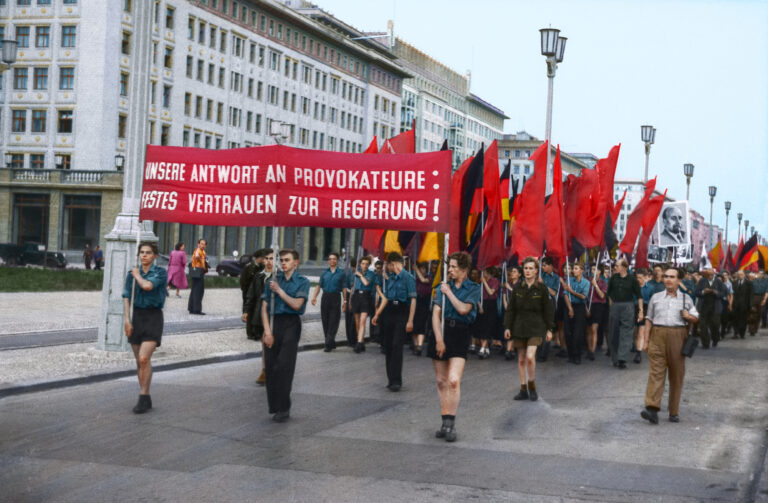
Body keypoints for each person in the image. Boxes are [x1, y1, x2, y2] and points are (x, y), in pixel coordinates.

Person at [429, 251, 480, 443]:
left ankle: (451, 422)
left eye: (453, 267)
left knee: (453, 380)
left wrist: (448, 292)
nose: (449, 270)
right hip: (441, 332)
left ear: (464, 270)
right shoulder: (441, 286)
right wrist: (439, 340)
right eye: (448, 266)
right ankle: (444, 422)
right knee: (441, 381)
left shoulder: (473, 288)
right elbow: (436, 314)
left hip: (460, 333)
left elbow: (463, 309)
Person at [641, 267, 698, 424]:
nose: (668, 279)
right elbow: (649, 319)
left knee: (676, 375)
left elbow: (696, 317)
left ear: (679, 280)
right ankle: (652, 409)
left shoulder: (686, 299)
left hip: (678, 336)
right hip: (657, 335)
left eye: (672, 277)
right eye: (666, 276)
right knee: (656, 373)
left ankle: (674, 411)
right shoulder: (656, 297)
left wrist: (689, 316)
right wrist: (645, 341)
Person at [260, 249, 311, 423]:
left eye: (287, 260)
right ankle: (274, 405)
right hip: (274, 324)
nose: (283, 263)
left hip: (291, 324)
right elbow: (264, 308)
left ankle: (284, 407)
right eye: (281, 260)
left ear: (295, 262)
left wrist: (280, 291)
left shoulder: (302, 282)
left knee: (284, 366)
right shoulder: (273, 281)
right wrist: (267, 332)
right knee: (271, 366)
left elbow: (297, 305)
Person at [122, 242, 167, 414]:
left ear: (155, 255)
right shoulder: (132, 274)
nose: (144, 255)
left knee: (143, 358)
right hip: (137, 317)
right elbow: (126, 296)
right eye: (142, 252)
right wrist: (127, 320)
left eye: (148, 253)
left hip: (154, 317)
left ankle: (143, 395)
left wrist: (136, 275)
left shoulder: (160, 273)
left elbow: (147, 286)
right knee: (139, 362)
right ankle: (146, 397)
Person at [504, 257, 554, 401]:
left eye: (531, 268)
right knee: (520, 360)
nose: (528, 271)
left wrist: (549, 329)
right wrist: (507, 327)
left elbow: (548, 310)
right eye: (526, 268)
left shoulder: (542, 289)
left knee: (530, 357)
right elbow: (511, 309)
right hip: (519, 326)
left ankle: (532, 385)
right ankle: (523, 388)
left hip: (536, 326)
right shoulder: (518, 288)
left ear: (536, 271)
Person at [372, 252, 416, 392]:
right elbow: (386, 299)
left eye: (388, 265)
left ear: (394, 264)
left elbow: (413, 300)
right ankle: (390, 379)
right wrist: (377, 314)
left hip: (402, 312)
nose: (387, 267)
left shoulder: (408, 278)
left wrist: (410, 321)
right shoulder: (390, 278)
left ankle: (397, 380)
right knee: (388, 345)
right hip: (389, 312)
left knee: (397, 345)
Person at [607, 258, 643, 369]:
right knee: (613, 332)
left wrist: (641, 311)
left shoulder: (632, 279)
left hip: (628, 306)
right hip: (615, 306)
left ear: (623, 267)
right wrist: (611, 307)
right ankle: (615, 358)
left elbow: (639, 296)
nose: (615, 267)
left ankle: (622, 359)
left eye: (617, 265)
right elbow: (609, 294)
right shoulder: (613, 278)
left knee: (626, 332)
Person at [243, 250, 273, 385]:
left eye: (271, 258)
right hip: (260, 313)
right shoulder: (258, 276)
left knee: (275, 343)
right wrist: (246, 311)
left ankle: (273, 370)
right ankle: (265, 370)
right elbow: (250, 295)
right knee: (264, 342)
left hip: (275, 315)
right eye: (266, 258)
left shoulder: (279, 277)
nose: (268, 261)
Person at [311, 252, 346, 352]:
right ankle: (330, 341)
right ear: (328, 261)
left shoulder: (341, 273)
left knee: (334, 320)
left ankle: (328, 343)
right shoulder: (324, 273)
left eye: (334, 259)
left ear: (337, 261)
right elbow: (319, 286)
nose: (332, 261)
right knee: (325, 320)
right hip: (325, 297)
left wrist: (345, 301)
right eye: (330, 259)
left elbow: (344, 288)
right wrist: (314, 297)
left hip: (336, 297)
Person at [561, 263, 590, 364]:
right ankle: (570, 355)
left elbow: (583, 297)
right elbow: (565, 295)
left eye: (576, 268)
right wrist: (570, 309)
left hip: (580, 308)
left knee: (578, 333)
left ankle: (577, 355)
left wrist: (571, 291)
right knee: (568, 332)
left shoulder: (586, 282)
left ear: (581, 270)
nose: (573, 270)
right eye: (573, 268)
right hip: (569, 306)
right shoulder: (569, 280)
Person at [694, 268, 727, 348]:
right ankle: (705, 343)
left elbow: (724, 292)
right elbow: (696, 292)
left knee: (715, 325)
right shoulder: (702, 281)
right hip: (704, 307)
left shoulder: (718, 282)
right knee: (703, 326)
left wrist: (716, 292)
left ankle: (715, 339)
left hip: (715, 307)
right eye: (708, 275)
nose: (710, 276)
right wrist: (703, 292)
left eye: (711, 275)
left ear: (714, 274)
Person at [351, 255, 376, 353]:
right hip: (356, 297)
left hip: (366, 297)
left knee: (362, 322)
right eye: (363, 264)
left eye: (366, 264)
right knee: (357, 322)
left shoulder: (370, 274)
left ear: (369, 265)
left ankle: (359, 343)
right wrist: (349, 301)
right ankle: (360, 341)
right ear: (360, 264)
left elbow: (366, 283)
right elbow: (352, 287)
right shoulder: (355, 274)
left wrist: (360, 275)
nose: (365, 266)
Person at [241, 249, 267, 340]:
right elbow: (243, 281)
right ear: (258, 258)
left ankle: (256, 332)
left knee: (256, 312)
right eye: (262, 258)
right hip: (248, 292)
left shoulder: (262, 267)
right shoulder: (249, 267)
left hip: (256, 292)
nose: (263, 260)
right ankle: (250, 333)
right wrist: (246, 292)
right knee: (249, 312)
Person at [538, 257, 560, 362]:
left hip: (549, 303)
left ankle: (543, 354)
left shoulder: (555, 277)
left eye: (545, 265)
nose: (542, 267)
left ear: (551, 266)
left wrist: (543, 284)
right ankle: (538, 352)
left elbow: (554, 293)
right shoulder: (540, 276)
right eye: (542, 265)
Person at [477, 267, 500, 359]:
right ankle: (485, 348)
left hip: (491, 305)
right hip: (482, 304)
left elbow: (491, 292)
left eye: (484, 272)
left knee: (488, 325)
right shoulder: (479, 281)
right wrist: (479, 306)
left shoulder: (495, 281)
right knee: (482, 326)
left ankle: (483, 348)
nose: (483, 274)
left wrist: (484, 282)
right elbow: (477, 295)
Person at [586, 264, 608, 361]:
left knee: (594, 329)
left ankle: (592, 351)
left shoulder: (603, 283)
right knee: (588, 329)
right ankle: (589, 347)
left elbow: (602, 296)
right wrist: (586, 308)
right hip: (588, 305)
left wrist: (595, 285)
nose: (593, 271)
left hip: (598, 306)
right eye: (592, 269)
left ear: (600, 271)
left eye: (595, 269)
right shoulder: (587, 281)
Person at [412, 262, 435, 356]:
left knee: (421, 324)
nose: (422, 270)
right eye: (420, 268)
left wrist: (416, 269)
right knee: (414, 325)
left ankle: (420, 346)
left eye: (423, 269)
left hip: (424, 302)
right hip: (416, 302)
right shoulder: (415, 278)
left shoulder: (429, 277)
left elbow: (423, 280)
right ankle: (416, 344)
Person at [502, 266, 522, 360]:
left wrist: (509, 288)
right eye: (512, 272)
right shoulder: (508, 283)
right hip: (509, 310)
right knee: (508, 328)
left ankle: (512, 349)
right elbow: (504, 297)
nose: (512, 273)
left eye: (515, 271)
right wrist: (507, 307)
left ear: (519, 274)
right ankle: (509, 349)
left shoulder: (521, 284)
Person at [188, 239, 207, 315]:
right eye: (201, 244)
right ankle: (197, 309)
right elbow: (196, 256)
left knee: (195, 290)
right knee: (198, 291)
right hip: (198, 272)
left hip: (199, 272)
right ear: (198, 244)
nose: (202, 245)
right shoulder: (198, 250)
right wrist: (199, 259)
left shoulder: (203, 252)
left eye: (204, 244)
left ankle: (191, 308)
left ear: (205, 246)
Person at [731, 270, 752, 339]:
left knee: (743, 320)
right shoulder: (734, 282)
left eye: (742, 274)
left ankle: (742, 333)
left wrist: (751, 305)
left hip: (744, 305)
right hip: (735, 304)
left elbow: (751, 295)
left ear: (744, 275)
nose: (740, 276)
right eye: (739, 275)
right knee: (735, 319)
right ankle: (735, 333)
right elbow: (732, 293)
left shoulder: (748, 283)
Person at [747, 272, 768, 336]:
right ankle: (751, 329)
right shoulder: (754, 281)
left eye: (761, 274)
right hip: (754, 297)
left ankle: (755, 328)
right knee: (752, 313)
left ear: (763, 275)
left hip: (762, 297)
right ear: (757, 274)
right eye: (759, 273)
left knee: (759, 314)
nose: (760, 275)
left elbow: (767, 291)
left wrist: (764, 299)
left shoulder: (766, 281)